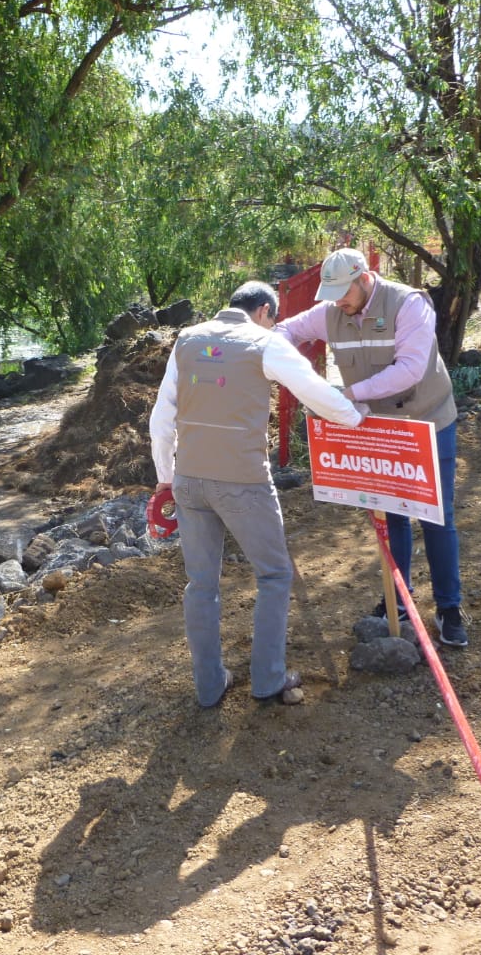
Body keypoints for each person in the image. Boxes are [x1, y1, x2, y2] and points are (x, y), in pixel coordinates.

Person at [149, 280, 366, 707]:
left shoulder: (187, 340)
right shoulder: (262, 343)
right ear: (265, 311)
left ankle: (209, 686)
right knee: (273, 574)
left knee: (201, 585)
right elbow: (315, 392)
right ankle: (267, 679)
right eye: (275, 317)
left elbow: (162, 416)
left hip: (190, 480)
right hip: (243, 482)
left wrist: (166, 477)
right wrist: (356, 420)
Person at [275, 247, 469, 647]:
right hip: (377, 428)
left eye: (343, 292)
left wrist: (347, 395)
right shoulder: (332, 311)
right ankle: (398, 602)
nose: (338, 303)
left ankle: (449, 609)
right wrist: (292, 372)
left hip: (427, 422)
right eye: (331, 295)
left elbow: (412, 367)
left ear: (364, 278)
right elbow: (284, 333)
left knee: (436, 516)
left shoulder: (407, 305)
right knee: (391, 516)